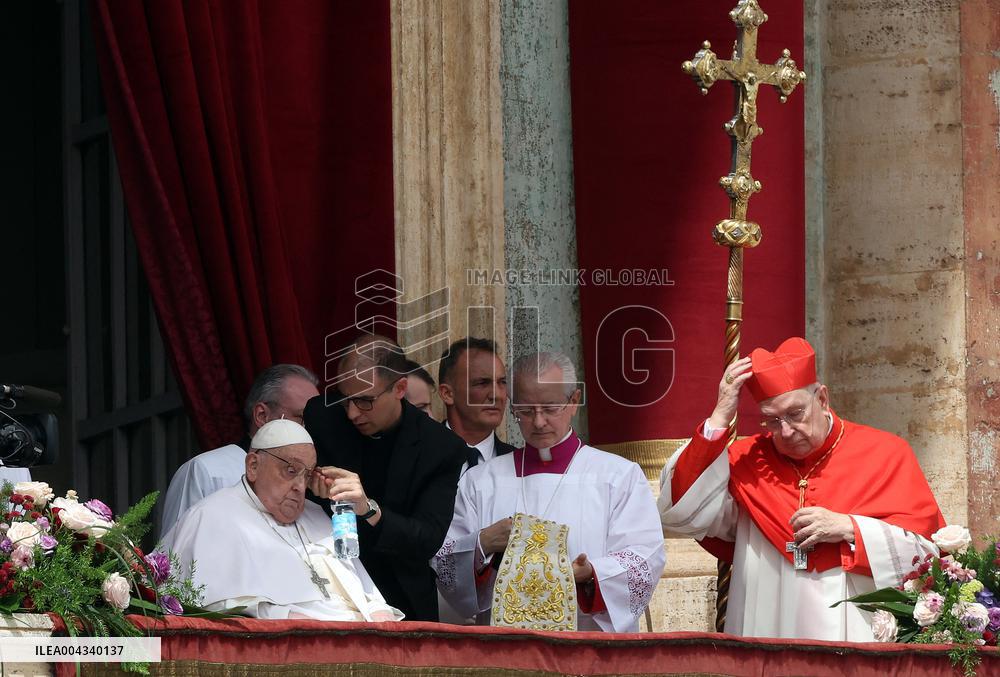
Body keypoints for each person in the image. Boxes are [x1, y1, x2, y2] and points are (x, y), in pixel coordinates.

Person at [658, 337, 946, 640]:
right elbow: (680, 513)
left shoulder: (885, 452)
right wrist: (720, 416)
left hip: (857, 628)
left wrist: (851, 528)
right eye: (771, 420)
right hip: (767, 624)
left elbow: (925, 552)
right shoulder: (746, 461)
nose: (786, 431)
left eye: (796, 414)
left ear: (822, 399)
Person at [433, 351, 666, 632]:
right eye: (526, 411)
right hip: (506, 648)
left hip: (587, 648)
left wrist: (591, 574)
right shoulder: (481, 481)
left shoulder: (617, 476)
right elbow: (445, 563)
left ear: (574, 401)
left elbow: (644, 560)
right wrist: (482, 543)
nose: (539, 422)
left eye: (550, 408)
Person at [162, 419, 403, 622]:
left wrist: (376, 611)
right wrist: (290, 618)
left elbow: (367, 596)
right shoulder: (211, 516)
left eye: (307, 475)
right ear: (253, 465)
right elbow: (222, 606)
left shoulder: (317, 515)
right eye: (290, 470)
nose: (300, 486)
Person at [304, 334, 467, 622]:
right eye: (346, 399)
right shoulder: (322, 416)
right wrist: (311, 484)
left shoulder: (440, 447)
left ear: (400, 388)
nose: (353, 413)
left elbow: (427, 538)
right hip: (326, 586)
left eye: (365, 401)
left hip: (399, 592)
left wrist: (369, 509)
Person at [160, 364, 319, 536]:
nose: (311, 429)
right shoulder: (207, 471)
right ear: (262, 416)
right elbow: (173, 558)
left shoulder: (316, 479)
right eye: (302, 418)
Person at [438, 337, 515, 474]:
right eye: (482, 383)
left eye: (502, 382)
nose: (496, 395)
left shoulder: (520, 465)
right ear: (448, 394)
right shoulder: (417, 458)